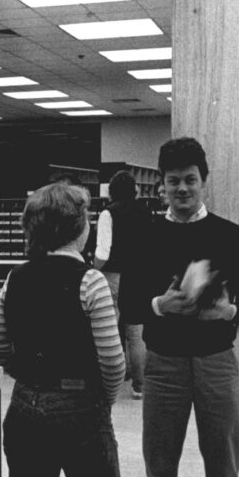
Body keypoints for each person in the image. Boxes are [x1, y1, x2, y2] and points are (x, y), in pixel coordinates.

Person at [122, 137, 239, 477]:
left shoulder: (230, 236)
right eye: (173, 182)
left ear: (204, 182)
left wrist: (231, 311)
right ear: (161, 186)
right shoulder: (145, 235)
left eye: (190, 180)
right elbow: (128, 301)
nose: (182, 189)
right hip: (163, 365)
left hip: (217, 363)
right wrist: (158, 306)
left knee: (223, 474)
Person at [0, 182, 135, 477]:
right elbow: (113, 362)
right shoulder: (91, 281)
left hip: (24, 410)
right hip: (81, 411)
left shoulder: (14, 277)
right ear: (79, 227)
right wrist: (102, 401)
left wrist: (27, 376)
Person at [94, 170, 151, 399]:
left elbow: (103, 251)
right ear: (135, 190)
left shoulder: (109, 213)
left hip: (113, 276)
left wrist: (92, 269)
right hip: (139, 276)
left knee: (110, 330)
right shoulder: (145, 211)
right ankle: (140, 386)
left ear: (111, 191)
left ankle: (111, 383)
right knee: (136, 334)